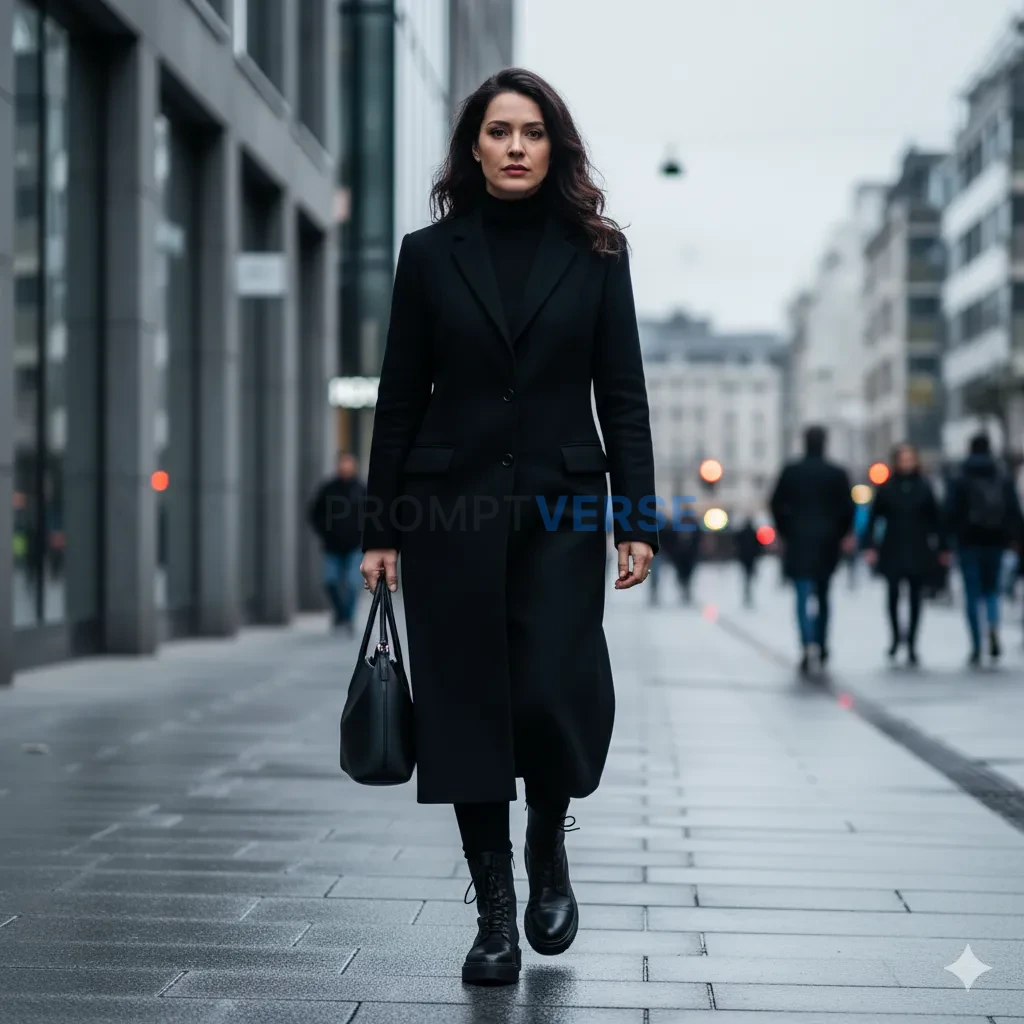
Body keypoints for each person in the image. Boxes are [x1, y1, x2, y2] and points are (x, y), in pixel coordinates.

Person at [358, 68, 658, 986]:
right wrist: (380, 529)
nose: (516, 147)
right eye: (499, 131)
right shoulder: (428, 254)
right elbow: (399, 397)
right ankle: (494, 915)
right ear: (475, 147)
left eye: (531, 132)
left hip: (564, 507)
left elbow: (623, 394)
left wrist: (636, 518)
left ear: (554, 146)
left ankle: (547, 842)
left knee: (553, 688)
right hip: (449, 511)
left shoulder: (599, 252)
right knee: (467, 703)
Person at [769, 425, 855, 675]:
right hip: (827, 542)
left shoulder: (791, 471)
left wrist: (786, 530)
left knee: (801, 595)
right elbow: (848, 509)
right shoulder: (836, 473)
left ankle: (807, 644)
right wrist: (840, 533)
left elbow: (775, 503)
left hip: (798, 541)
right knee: (824, 596)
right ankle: (822, 642)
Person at [861, 443, 948, 666]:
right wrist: (870, 546)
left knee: (916, 597)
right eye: (903, 459)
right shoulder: (887, 488)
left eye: (910, 459)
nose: (907, 463)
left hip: (917, 547)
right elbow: (874, 518)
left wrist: (943, 547)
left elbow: (936, 520)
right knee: (893, 595)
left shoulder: (924, 487)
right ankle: (895, 637)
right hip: (893, 547)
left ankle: (911, 642)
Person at [945, 433, 1024, 665]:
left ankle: (976, 643)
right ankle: (993, 626)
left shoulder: (960, 476)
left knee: (972, 593)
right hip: (996, 541)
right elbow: (1013, 510)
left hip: (968, 542)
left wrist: (947, 541)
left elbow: (950, 512)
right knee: (992, 590)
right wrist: (1016, 538)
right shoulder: (1001, 475)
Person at [307, 452, 366, 633]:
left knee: (353, 583)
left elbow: (372, 515)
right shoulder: (328, 489)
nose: (345, 467)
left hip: (355, 545)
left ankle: (347, 618)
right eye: (342, 463)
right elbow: (314, 513)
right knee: (330, 582)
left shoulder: (361, 490)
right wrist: (325, 532)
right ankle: (341, 613)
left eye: (348, 463)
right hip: (332, 546)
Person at [733, 517, 761, 607]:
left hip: (745, 558)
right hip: (750, 558)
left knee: (746, 576)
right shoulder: (754, 533)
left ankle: (747, 593)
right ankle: (748, 594)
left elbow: (736, 540)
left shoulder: (743, 533)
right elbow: (758, 546)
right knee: (749, 576)